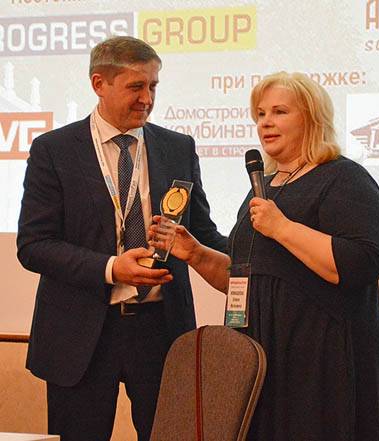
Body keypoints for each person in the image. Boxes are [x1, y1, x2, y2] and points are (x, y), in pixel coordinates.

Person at [151, 71, 379, 441]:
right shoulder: (264, 187)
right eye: (260, 114)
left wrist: (283, 228)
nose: (265, 122)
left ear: (312, 118)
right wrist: (195, 254)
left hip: (319, 359)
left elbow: (361, 263)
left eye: (279, 112)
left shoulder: (343, 178)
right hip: (260, 355)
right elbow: (245, 277)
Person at [16, 36, 226, 441]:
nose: (147, 99)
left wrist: (252, 256)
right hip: (81, 334)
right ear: (99, 83)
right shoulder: (54, 151)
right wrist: (112, 268)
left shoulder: (177, 147)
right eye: (136, 87)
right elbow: (34, 245)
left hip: (162, 330)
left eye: (153, 86)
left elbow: (201, 232)